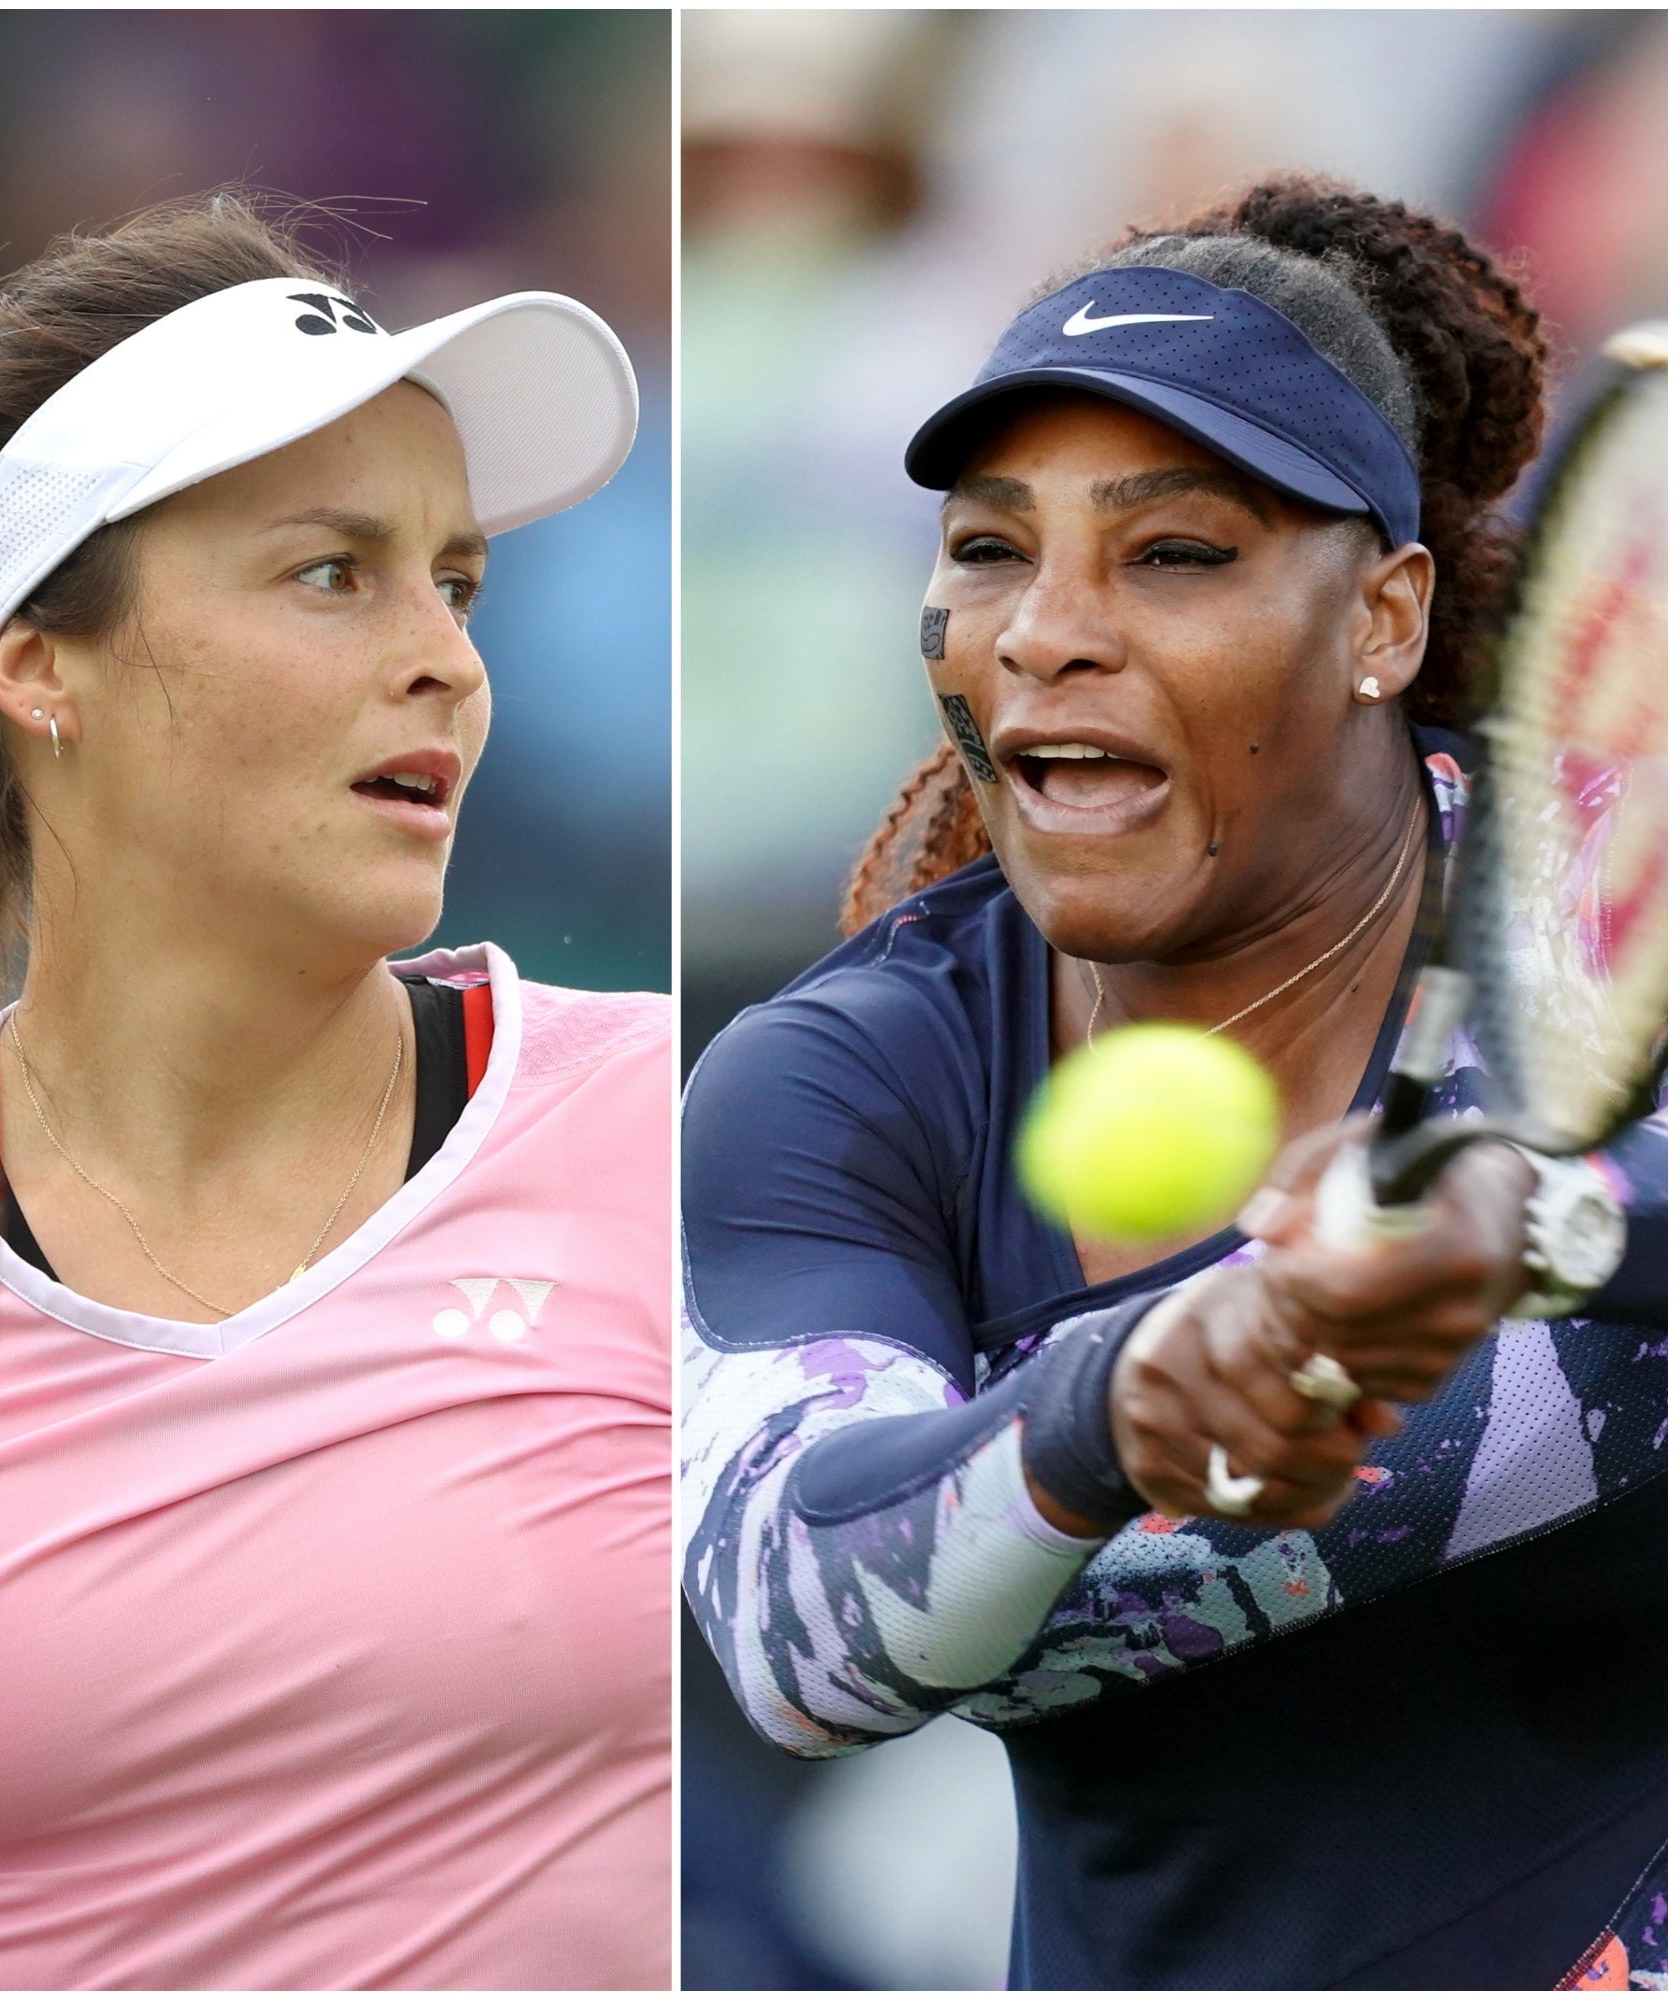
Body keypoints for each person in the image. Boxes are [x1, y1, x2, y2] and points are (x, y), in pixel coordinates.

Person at [682, 176, 1665, 1991]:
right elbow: (789, 1629)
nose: (1047, 628)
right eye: (990, 549)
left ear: (1382, 618)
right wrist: (1118, 1407)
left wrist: (1543, 1224)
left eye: (1176, 553)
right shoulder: (839, 1079)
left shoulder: (1618, 895)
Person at [0, 194, 671, 1991]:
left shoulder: (664, 1128)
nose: (449, 656)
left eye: (456, 581)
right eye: (332, 571)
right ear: (38, 667)